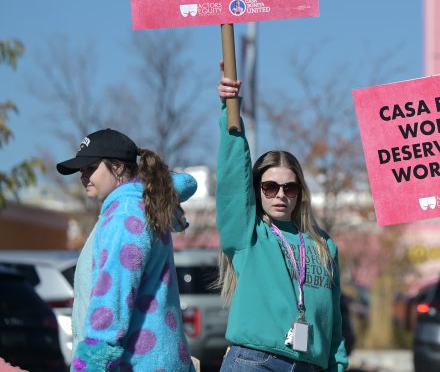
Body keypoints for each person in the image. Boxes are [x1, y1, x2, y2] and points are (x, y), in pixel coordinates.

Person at [216, 71, 348, 372]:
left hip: (309, 366)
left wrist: (336, 365)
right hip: (255, 362)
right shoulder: (248, 234)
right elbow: (231, 180)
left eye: (289, 187)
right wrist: (230, 111)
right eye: (270, 186)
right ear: (256, 191)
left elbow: (334, 320)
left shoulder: (323, 244)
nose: (280, 195)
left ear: (300, 192)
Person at [56, 128, 198, 372]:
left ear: (118, 167)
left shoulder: (125, 213)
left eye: (91, 168)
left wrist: (89, 364)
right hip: (157, 359)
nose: (83, 177)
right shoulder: (140, 203)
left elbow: (113, 296)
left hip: (139, 363)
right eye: (81, 171)